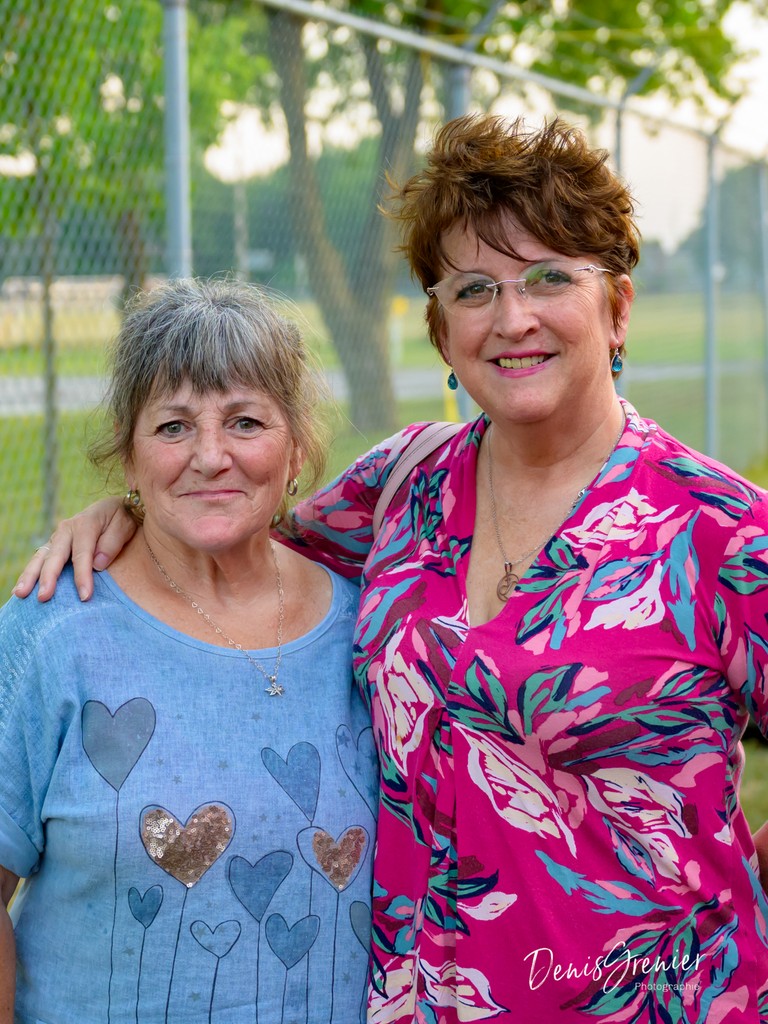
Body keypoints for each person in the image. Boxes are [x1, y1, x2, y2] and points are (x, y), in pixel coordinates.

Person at [14, 114, 768, 1022]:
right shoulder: (403, 486)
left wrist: (719, 910)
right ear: (442, 333)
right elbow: (236, 528)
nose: (513, 318)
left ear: (617, 308)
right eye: (474, 289)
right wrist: (129, 513)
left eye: (549, 277)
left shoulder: (721, 531)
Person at [0, 278, 376, 1024]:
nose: (210, 456)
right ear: (128, 455)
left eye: (245, 422)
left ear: (298, 445)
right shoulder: (51, 634)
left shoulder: (370, 625)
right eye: (172, 427)